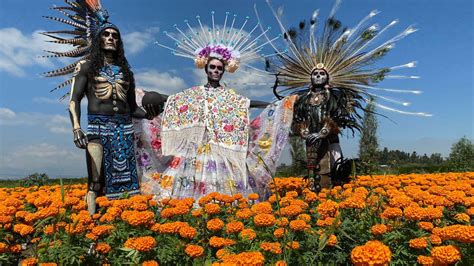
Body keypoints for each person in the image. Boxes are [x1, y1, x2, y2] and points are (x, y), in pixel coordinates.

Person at [260, 2, 428, 191]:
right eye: (315, 74)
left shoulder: (334, 97)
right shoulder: (304, 98)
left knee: (328, 169)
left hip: (327, 139)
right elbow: (296, 114)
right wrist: (304, 130)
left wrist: (324, 131)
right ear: (309, 79)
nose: (317, 76)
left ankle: (327, 195)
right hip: (310, 140)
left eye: (321, 74)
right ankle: (313, 195)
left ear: (328, 78)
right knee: (311, 169)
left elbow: (339, 115)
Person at [136, 12, 296, 201]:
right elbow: (172, 99)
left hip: (222, 149)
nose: (216, 71)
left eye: (219, 68)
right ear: (205, 68)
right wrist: (144, 94)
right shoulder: (194, 93)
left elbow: (247, 102)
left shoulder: (229, 96)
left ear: (223, 71)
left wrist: (274, 104)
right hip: (195, 150)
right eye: (212, 67)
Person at [43, 0, 156, 214]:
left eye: (115, 35)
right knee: (95, 182)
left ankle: (122, 224)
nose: (111, 38)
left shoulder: (126, 73)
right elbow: (74, 99)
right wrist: (76, 128)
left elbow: (133, 109)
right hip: (97, 131)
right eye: (106, 34)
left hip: (124, 132)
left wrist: (153, 113)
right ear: (98, 38)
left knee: (130, 184)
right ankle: (91, 228)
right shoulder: (85, 66)